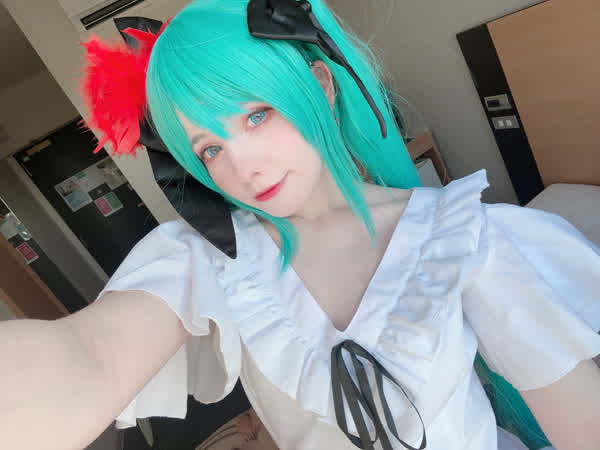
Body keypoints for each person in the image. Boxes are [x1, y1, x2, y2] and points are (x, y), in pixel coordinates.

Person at [1, 1, 600, 449]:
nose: (242, 166)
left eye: (256, 115)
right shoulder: (205, 257)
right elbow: (90, 356)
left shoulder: (465, 236)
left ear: (319, 85)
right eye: (210, 149)